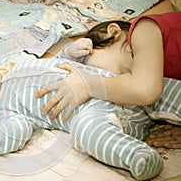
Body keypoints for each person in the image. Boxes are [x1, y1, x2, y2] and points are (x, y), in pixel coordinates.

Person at [0, 52, 181, 180]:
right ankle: (136, 155)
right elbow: (13, 134)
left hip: (118, 85)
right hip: (95, 114)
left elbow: (58, 62)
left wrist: (72, 53)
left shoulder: (22, 60)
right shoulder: (5, 111)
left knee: (160, 87)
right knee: (84, 134)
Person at [36, 12, 181, 149]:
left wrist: (89, 85)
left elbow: (145, 90)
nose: (102, 77)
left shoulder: (145, 29)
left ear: (113, 33)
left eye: (95, 71)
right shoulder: (160, 78)